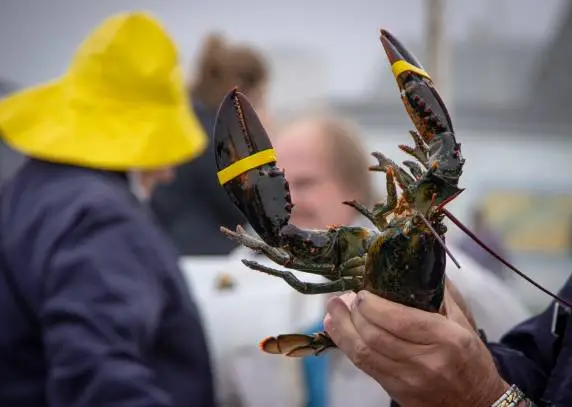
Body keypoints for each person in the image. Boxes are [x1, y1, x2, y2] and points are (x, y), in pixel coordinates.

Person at [0, 12, 216, 407]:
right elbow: (101, 381)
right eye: (161, 149)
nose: (168, 171)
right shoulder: (100, 220)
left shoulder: (2, 203)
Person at [218, 113, 531, 407]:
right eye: (281, 188)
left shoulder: (452, 274)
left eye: (305, 183)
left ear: (354, 185)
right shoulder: (243, 269)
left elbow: (525, 356)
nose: (292, 201)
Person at [324, 261, 572, 404]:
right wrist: (473, 357)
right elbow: (547, 373)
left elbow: (488, 393)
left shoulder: (476, 280)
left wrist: (485, 397)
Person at [149, 32, 272, 256]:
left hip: (167, 247)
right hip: (203, 256)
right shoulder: (218, 136)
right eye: (259, 99)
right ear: (241, 90)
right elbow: (243, 206)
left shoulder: (186, 120)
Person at [456, 207, 510, 280]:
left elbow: (502, 260)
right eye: (476, 218)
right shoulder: (465, 241)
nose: (478, 220)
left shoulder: (493, 238)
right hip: (472, 278)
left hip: (492, 278)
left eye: (479, 218)